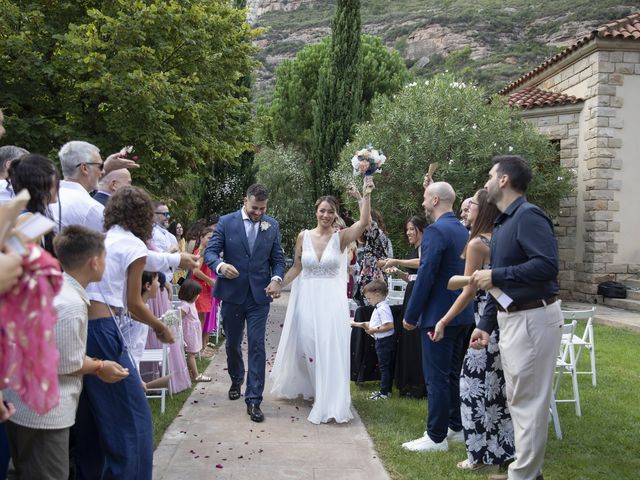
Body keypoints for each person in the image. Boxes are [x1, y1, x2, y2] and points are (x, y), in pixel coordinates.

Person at [4, 226, 129, 480]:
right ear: (94, 262)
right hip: (44, 412)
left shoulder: (56, 287)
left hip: (22, 401)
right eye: (105, 257)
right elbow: (67, 362)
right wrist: (100, 366)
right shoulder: (70, 304)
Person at [470, 155, 563, 480]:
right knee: (519, 400)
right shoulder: (503, 222)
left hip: (534, 319)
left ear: (504, 180)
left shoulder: (529, 216)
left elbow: (547, 266)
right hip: (513, 319)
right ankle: (528, 473)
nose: (486, 182)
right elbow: (503, 285)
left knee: (529, 402)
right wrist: (485, 325)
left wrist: (496, 273)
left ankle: (522, 476)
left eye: (490, 175)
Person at [76, 186, 175, 479]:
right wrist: (160, 327)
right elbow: (134, 304)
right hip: (105, 329)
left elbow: (149, 259)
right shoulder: (132, 244)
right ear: (144, 217)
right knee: (135, 421)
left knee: (92, 419)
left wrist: (177, 259)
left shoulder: (105, 239)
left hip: (83, 330)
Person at [270, 177, 374, 424]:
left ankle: (328, 399)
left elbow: (364, 223)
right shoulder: (303, 236)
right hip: (306, 300)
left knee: (327, 348)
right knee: (309, 347)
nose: (326, 215)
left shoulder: (341, 238)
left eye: (330, 211)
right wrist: (278, 284)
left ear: (335, 215)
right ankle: (318, 388)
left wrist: (365, 195)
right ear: (316, 212)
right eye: (322, 210)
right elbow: (297, 268)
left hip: (330, 302)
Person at [432, 189, 514, 473]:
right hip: (506, 324)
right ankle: (505, 449)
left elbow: (467, 291)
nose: (466, 211)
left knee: (473, 388)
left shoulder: (478, 243)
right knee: (500, 391)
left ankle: (479, 455)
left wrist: (443, 320)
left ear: (485, 211)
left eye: (472, 207)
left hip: (485, 326)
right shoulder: (504, 240)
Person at [401, 181, 475, 452]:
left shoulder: (435, 232)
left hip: (438, 316)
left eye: (424, 197)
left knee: (436, 378)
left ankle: (435, 437)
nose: (422, 202)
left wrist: (411, 314)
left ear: (434, 201)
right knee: (452, 374)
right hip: (463, 314)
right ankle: (455, 426)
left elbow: (427, 275)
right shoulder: (463, 230)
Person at [204, 184, 285, 423]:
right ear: (244, 201)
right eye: (254, 208)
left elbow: (277, 259)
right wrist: (220, 266)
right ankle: (236, 378)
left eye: (262, 208)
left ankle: (254, 400)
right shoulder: (226, 222)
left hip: (259, 297)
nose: (258, 212)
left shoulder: (272, 225)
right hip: (232, 294)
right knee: (232, 343)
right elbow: (210, 252)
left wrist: (276, 279)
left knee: (258, 345)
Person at [379, 215, 428, 398]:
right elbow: (411, 276)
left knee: (415, 335)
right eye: (407, 229)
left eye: (411, 229)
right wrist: (398, 271)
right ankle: (408, 381)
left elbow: (422, 264)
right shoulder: (415, 248)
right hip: (411, 289)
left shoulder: (425, 246)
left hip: (418, 292)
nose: (408, 233)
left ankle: (418, 383)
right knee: (408, 336)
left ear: (421, 229)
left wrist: (397, 261)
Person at [8, 154, 60, 254]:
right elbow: (19, 260)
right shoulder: (27, 220)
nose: (59, 187)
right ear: (42, 185)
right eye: (56, 182)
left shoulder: (24, 216)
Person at [360, 279, 395, 400]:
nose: (368, 301)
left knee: (384, 367)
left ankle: (384, 393)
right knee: (385, 366)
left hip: (384, 342)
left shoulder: (383, 308)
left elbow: (389, 325)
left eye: (369, 298)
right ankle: (387, 390)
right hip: (382, 341)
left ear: (377, 295)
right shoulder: (379, 307)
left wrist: (374, 330)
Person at [178, 279, 211, 382]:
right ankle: (196, 375)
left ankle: (190, 372)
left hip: (193, 332)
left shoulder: (190, 304)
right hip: (189, 333)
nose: (198, 296)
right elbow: (179, 319)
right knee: (191, 354)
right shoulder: (185, 305)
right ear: (190, 294)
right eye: (197, 294)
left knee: (192, 353)